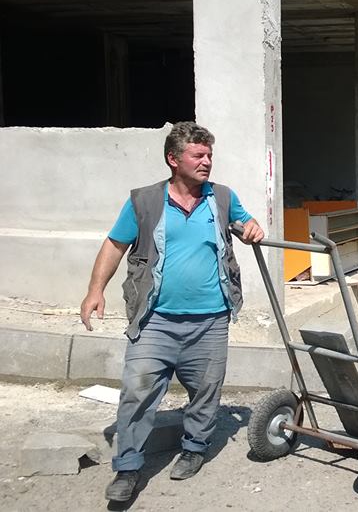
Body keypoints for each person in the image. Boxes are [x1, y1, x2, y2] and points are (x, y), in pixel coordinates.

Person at [80, 122, 264, 502]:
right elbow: (114, 245)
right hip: (155, 322)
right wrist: (94, 291)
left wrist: (251, 228)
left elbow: (246, 224)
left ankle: (194, 449)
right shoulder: (145, 202)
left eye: (209, 155)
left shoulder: (223, 197)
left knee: (205, 392)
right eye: (198, 155)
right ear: (173, 159)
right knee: (137, 392)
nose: (207, 162)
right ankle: (128, 469)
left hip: (210, 320)